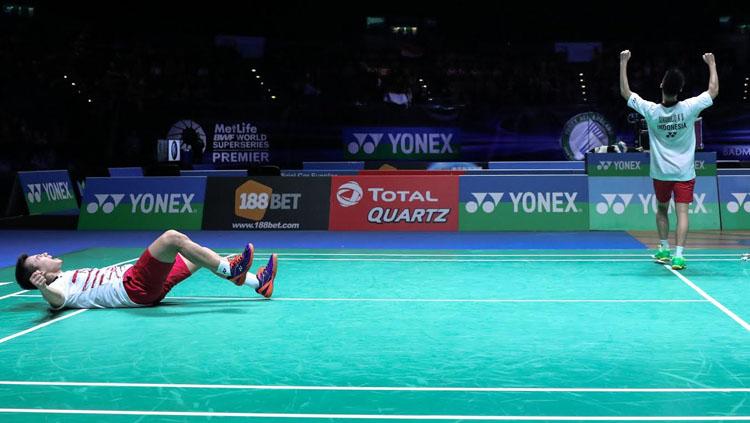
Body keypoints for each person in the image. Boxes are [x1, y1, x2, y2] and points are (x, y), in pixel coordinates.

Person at [620, 50, 718, 270]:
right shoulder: (689, 108)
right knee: (682, 213)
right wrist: (711, 63)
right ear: (680, 89)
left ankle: (663, 249)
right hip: (684, 173)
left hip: (661, 173)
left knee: (662, 210)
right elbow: (713, 91)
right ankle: (679, 256)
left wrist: (623, 62)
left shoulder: (651, 111)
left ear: (661, 85)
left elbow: (626, 93)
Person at [14, 230, 278, 309]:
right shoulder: (58, 286)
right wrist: (43, 289)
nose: (46, 254)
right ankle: (230, 269)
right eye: (40, 258)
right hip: (133, 287)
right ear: (40, 274)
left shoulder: (65, 276)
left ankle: (260, 284)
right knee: (172, 239)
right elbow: (58, 300)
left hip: (144, 289)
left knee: (199, 255)